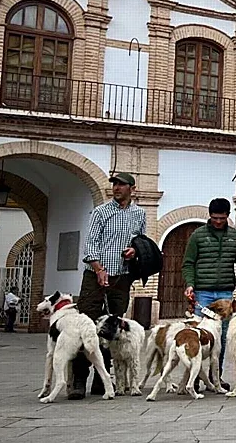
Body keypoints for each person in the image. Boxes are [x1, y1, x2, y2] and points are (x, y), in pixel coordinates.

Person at [70, 171, 147, 400]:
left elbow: (140, 241)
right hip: (95, 276)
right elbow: (91, 243)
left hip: (121, 277)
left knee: (112, 329)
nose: (117, 188)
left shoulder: (139, 214)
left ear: (132, 189)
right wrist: (98, 268)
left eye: (122, 185)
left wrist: (134, 251)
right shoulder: (101, 212)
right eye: (114, 184)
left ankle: (101, 379)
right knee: (87, 326)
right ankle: (79, 379)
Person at [181, 197, 236, 383]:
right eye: (215, 218)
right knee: (198, 334)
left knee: (221, 337)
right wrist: (190, 284)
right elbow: (188, 263)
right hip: (203, 292)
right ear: (210, 215)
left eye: (222, 218)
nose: (218, 221)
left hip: (225, 292)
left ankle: (216, 377)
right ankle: (194, 378)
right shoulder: (198, 235)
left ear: (228, 216)